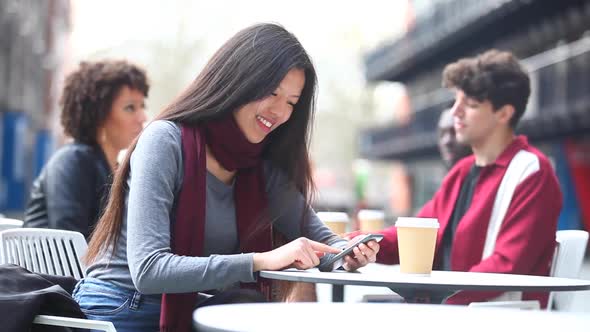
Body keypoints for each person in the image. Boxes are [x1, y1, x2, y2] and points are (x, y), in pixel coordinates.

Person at [75, 23, 380, 332]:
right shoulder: (164, 142)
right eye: (272, 92)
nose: (279, 111)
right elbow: (149, 270)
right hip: (120, 305)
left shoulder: (260, 169)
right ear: (239, 82)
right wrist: (260, 261)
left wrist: (348, 256)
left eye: (291, 102)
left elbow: (322, 243)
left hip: (196, 308)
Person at [351, 50, 562, 307]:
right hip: (450, 309)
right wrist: (356, 243)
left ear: (504, 114)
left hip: (497, 316)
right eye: (456, 101)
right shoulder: (462, 172)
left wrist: (435, 295)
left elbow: (506, 266)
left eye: (470, 104)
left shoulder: (532, 172)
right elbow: (415, 236)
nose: (455, 113)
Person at [24, 60, 149, 240]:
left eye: (142, 106)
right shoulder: (72, 161)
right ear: (99, 116)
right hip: (46, 268)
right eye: (130, 108)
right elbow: (71, 241)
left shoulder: (115, 169)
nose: (142, 117)